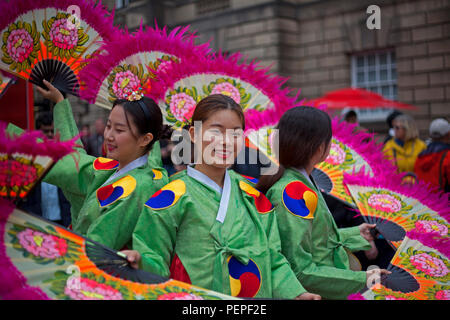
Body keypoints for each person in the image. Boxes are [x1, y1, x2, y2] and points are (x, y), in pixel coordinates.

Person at [123, 94, 321, 300]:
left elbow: (273, 258)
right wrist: (141, 261)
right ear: (193, 134)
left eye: (235, 134)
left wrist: (296, 294)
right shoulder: (168, 198)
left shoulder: (254, 197)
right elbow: (154, 257)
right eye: (216, 131)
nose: (226, 141)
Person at [7, 80, 169, 250]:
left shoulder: (141, 186)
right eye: (108, 126)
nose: (109, 136)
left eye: (119, 130)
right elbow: (72, 160)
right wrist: (60, 103)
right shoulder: (112, 169)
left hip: (95, 265)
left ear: (146, 139)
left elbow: (98, 247)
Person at [256, 106, 390, 300]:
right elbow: (300, 270)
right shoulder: (292, 192)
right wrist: (365, 278)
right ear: (320, 148)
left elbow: (316, 240)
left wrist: (355, 234)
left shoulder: (301, 183)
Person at [19, 112, 72, 228]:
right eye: (45, 131)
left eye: (52, 131)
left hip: (62, 221)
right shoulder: (29, 157)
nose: (50, 135)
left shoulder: (64, 156)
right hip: (37, 220)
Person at [414, 118, 450, 193]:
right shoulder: (447, 156)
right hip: (444, 201)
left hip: (425, 201)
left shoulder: (420, 157)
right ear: (448, 134)